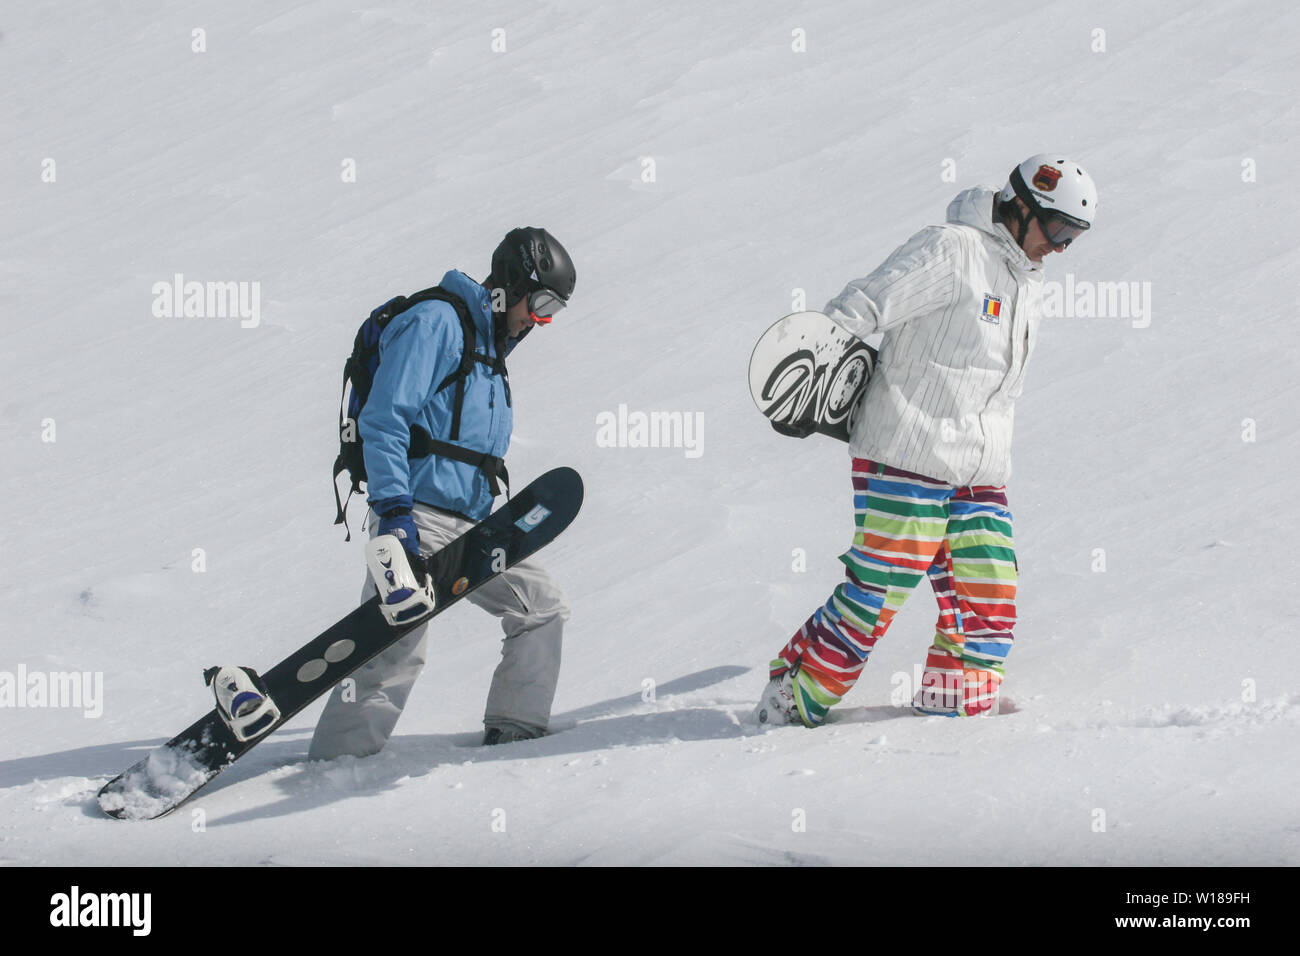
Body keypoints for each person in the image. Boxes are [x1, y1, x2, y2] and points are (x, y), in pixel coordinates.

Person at [755, 155, 1098, 725]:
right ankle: (792, 696)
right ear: (1019, 208)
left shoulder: (1025, 285)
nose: (1060, 248)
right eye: (1057, 230)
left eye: (1074, 238)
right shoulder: (951, 249)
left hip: (979, 466)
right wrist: (814, 362)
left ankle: (953, 706)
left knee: (989, 590)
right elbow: (866, 302)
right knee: (881, 588)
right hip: (905, 452)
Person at [310, 227, 577, 758]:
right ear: (507, 285)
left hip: (472, 523)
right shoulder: (436, 323)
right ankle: (339, 761)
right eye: (541, 302)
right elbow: (385, 420)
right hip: (416, 513)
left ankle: (514, 737)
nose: (541, 319)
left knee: (541, 608)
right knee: (398, 643)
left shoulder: (489, 348)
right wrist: (392, 512)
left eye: (554, 310)